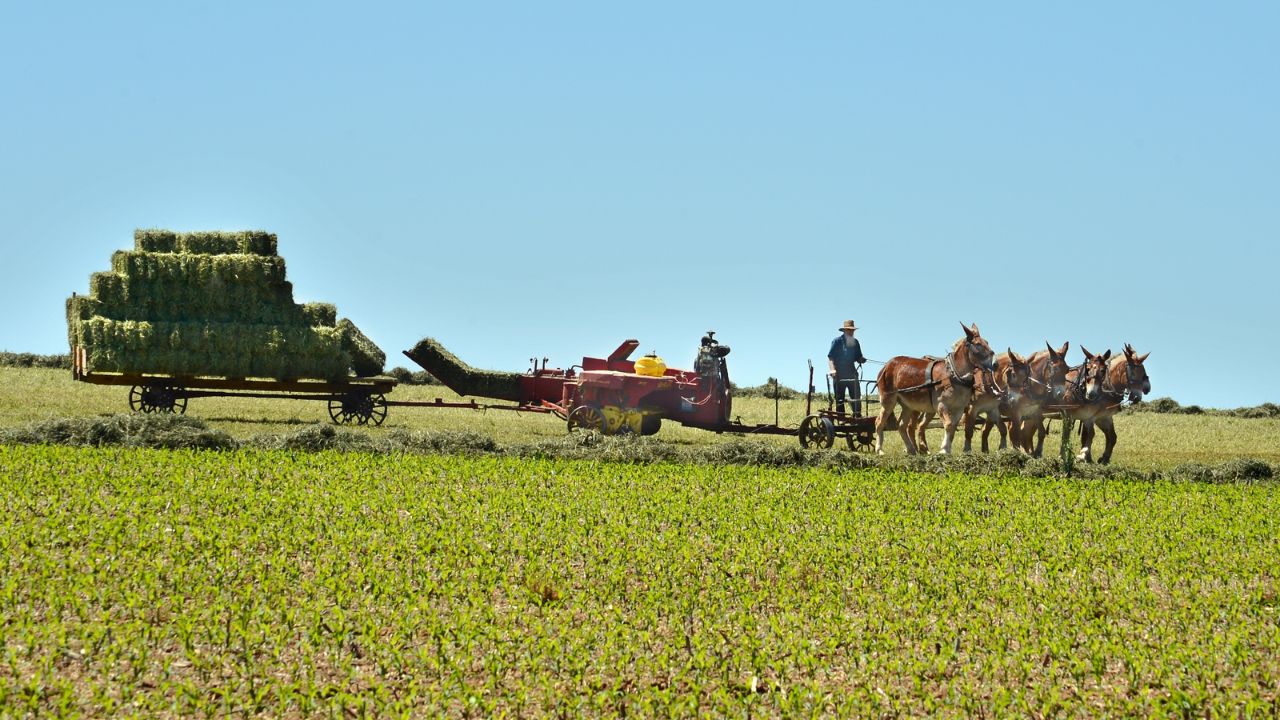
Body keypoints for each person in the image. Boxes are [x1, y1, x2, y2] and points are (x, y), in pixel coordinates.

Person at [828, 320, 867, 415]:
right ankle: (841, 418)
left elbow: (858, 357)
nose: (851, 332)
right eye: (849, 330)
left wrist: (861, 359)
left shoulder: (855, 342)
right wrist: (833, 370)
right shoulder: (837, 341)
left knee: (856, 395)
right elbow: (830, 357)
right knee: (839, 397)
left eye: (852, 330)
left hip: (851, 371)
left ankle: (857, 416)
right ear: (844, 331)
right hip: (839, 373)